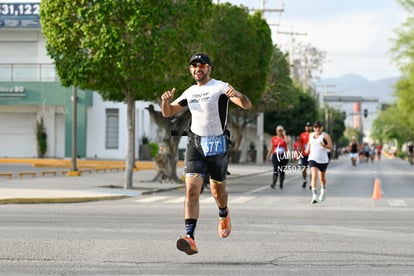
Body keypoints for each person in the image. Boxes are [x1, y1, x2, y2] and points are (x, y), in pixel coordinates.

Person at [161, 53, 252, 255]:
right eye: (194, 65)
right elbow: (168, 112)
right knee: (191, 189)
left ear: (209, 68)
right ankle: (190, 237)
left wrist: (238, 94)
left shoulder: (220, 87)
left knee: (217, 192)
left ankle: (223, 213)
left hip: (218, 145)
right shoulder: (190, 91)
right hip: (195, 144)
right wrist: (165, 101)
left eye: (201, 65)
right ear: (190, 69)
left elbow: (246, 105)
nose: (197, 68)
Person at [305, 121, 333, 204]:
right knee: (314, 176)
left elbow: (330, 146)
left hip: (323, 160)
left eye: (319, 127)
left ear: (322, 128)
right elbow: (309, 144)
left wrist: (324, 145)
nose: (317, 128)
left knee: (322, 178)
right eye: (316, 127)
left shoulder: (325, 136)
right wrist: (307, 150)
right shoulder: (311, 135)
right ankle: (314, 196)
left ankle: (323, 190)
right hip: (313, 158)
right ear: (314, 128)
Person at [266, 125, 291, 189]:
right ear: (276, 131)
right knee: (276, 169)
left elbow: (287, 142)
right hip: (275, 156)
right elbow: (271, 148)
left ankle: (281, 183)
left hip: (283, 156)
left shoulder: (286, 137)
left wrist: (284, 134)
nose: (280, 132)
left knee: (282, 170)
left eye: (281, 130)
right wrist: (268, 155)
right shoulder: (274, 138)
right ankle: (273, 183)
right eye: (279, 130)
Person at [297, 122, 312, 188]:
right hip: (304, 154)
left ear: (311, 127)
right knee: (303, 169)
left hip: (312, 154)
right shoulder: (302, 135)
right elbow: (300, 144)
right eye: (306, 126)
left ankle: (312, 183)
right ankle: (305, 180)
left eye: (309, 126)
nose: (308, 127)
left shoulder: (313, 134)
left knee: (312, 170)